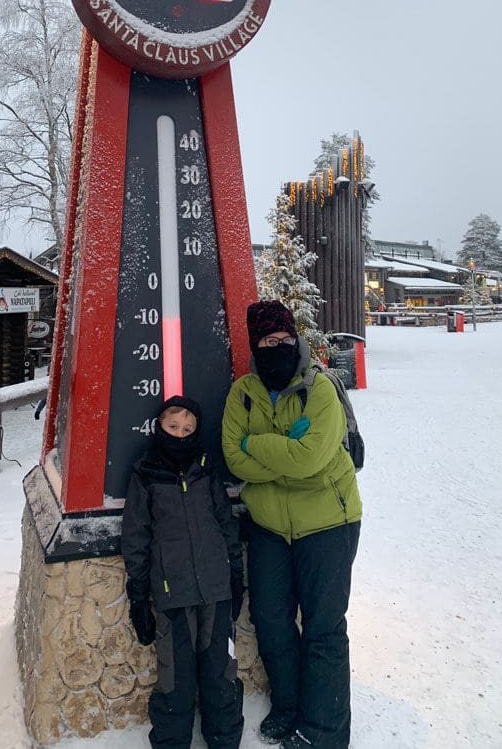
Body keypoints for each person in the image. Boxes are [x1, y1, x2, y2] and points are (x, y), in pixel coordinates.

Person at [221, 301, 362, 749]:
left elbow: (310, 459)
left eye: (284, 340)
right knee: (272, 621)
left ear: (295, 339)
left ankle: (324, 731)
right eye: (267, 342)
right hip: (268, 527)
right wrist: (284, 451)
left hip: (328, 522)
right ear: (255, 346)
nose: (277, 348)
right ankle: (288, 706)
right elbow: (232, 457)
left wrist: (256, 444)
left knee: (323, 626)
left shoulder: (320, 388)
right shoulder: (242, 392)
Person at [121, 395, 245, 749]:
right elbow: (136, 535)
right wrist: (138, 593)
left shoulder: (206, 470)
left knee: (221, 675)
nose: (180, 434)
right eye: (173, 427)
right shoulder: (146, 474)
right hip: (172, 593)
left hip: (216, 590)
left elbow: (225, 522)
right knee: (175, 680)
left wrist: (235, 574)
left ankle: (224, 740)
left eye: (188, 428)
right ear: (159, 426)